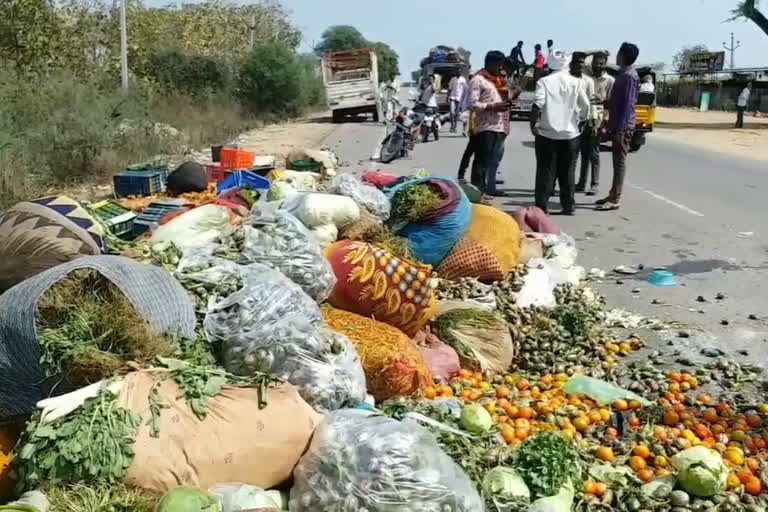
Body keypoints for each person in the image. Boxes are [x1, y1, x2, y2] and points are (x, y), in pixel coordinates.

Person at [530, 50, 590, 215]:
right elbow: (585, 106)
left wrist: (532, 125)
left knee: (545, 172)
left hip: (546, 134)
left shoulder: (544, 82)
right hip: (570, 135)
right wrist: (582, 121)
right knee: (568, 171)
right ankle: (568, 206)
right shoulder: (576, 82)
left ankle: (542, 207)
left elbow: (537, 104)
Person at [596, 42, 639, 211]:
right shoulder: (624, 74)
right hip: (618, 124)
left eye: (619, 53)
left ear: (624, 55)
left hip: (623, 127)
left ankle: (615, 198)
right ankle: (613, 193)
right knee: (616, 161)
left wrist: (619, 130)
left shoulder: (629, 76)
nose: (617, 56)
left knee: (619, 162)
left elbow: (628, 105)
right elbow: (618, 101)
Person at [469, 51, 512, 199]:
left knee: (488, 162)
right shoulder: (478, 80)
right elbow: (472, 104)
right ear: (490, 64)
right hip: (484, 127)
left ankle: (483, 191)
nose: (500, 69)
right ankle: (476, 193)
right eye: (499, 65)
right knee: (480, 162)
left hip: (496, 127)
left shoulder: (494, 80)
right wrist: (493, 106)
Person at [577, 52, 614, 196]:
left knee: (594, 152)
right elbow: (580, 58)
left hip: (598, 114)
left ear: (605, 64)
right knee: (583, 152)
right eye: (596, 63)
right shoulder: (587, 77)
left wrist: (605, 123)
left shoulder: (609, 80)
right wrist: (593, 51)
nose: (598, 66)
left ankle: (594, 184)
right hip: (584, 114)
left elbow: (609, 103)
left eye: (602, 63)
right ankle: (581, 182)